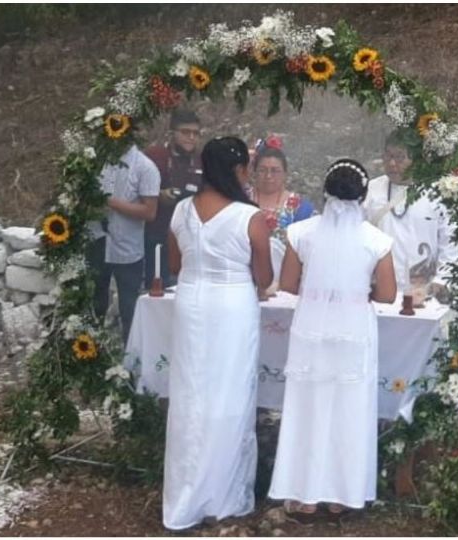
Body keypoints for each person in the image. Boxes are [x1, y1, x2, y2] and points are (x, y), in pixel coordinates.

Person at [268, 159, 397, 517]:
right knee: (349, 410)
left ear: (324, 192)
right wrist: (358, 293)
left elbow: (290, 284)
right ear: (363, 195)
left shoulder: (302, 233)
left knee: (308, 408)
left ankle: (304, 495)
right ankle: (342, 495)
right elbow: (387, 294)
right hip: (354, 330)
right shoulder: (377, 240)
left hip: (312, 330)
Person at [162, 137, 273, 530]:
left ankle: (185, 494)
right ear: (241, 171)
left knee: (191, 393)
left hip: (191, 302)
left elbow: (174, 264)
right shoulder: (250, 217)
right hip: (232, 307)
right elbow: (264, 277)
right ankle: (223, 495)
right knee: (230, 394)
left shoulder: (180, 211)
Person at [362, 136, 458, 297]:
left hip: (423, 292)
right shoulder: (370, 190)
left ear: (417, 160)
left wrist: (440, 282)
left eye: (400, 157)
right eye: (388, 156)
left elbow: (450, 243)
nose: (392, 163)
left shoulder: (437, 193)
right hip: (379, 290)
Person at [85, 144, 160, 342]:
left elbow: (149, 212)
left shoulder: (144, 166)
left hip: (127, 246)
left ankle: (131, 358)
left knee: (129, 306)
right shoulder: (95, 160)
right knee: (95, 301)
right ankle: (92, 354)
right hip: (96, 239)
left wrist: (112, 203)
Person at [143, 109, 204, 289]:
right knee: (157, 291)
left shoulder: (203, 161)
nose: (191, 137)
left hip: (191, 239)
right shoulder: (155, 156)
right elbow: (137, 192)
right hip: (158, 235)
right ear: (172, 134)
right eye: (185, 132)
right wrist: (158, 195)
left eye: (195, 133)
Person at [249, 140, 315, 282]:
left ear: (285, 174)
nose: (268, 176)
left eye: (275, 170)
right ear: (254, 172)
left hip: (284, 282)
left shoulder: (300, 208)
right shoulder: (241, 200)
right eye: (262, 170)